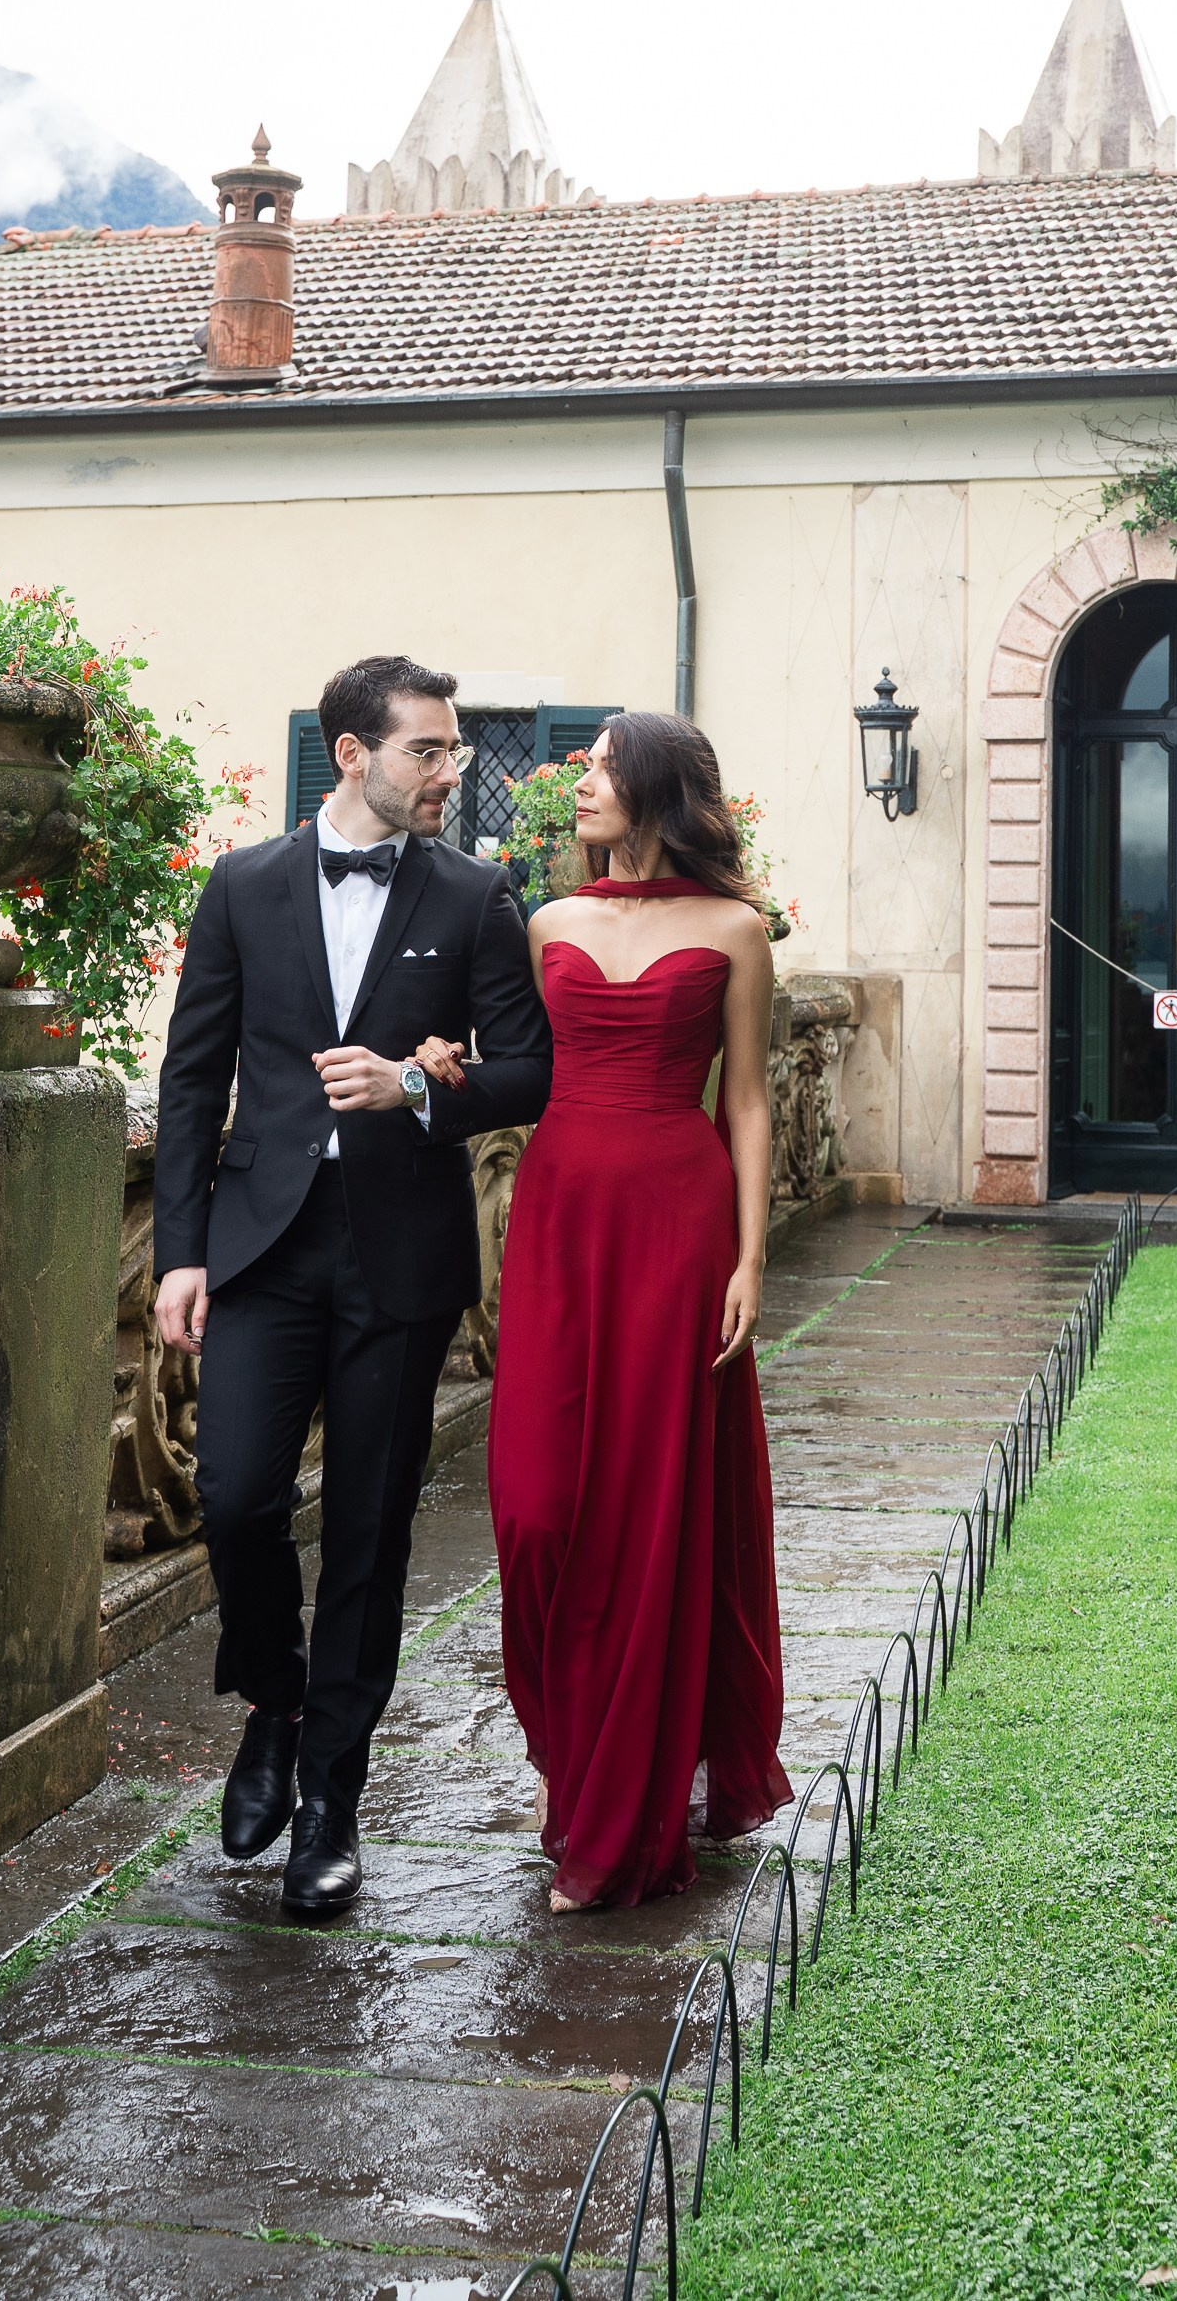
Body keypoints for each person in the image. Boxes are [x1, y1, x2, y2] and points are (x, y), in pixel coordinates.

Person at [152, 653, 551, 1920]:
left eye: (451, 750)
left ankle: (332, 1798)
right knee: (234, 1497)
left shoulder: (479, 893)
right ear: (351, 754)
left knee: (371, 1539)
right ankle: (271, 1697)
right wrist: (179, 1248)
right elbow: (188, 1079)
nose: (450, 771)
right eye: (428, 750)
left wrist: (421, 1088)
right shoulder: (244, 885)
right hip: (261, 1245)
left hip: (401, 1254)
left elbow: (531, 1071)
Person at [473, 709, 787, 1911]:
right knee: (539, 1512)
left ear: (656, 790)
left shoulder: (736, 931)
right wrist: (443, 1068)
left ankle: (614, 1815)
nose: (578, 784)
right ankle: (570, 1753)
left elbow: (748, 1100)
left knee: (648, 1514)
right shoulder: (543, 919)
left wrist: (750, 1259)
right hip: (558, 1223)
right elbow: (520, 1067)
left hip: (677, 1225)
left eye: (599, 768)